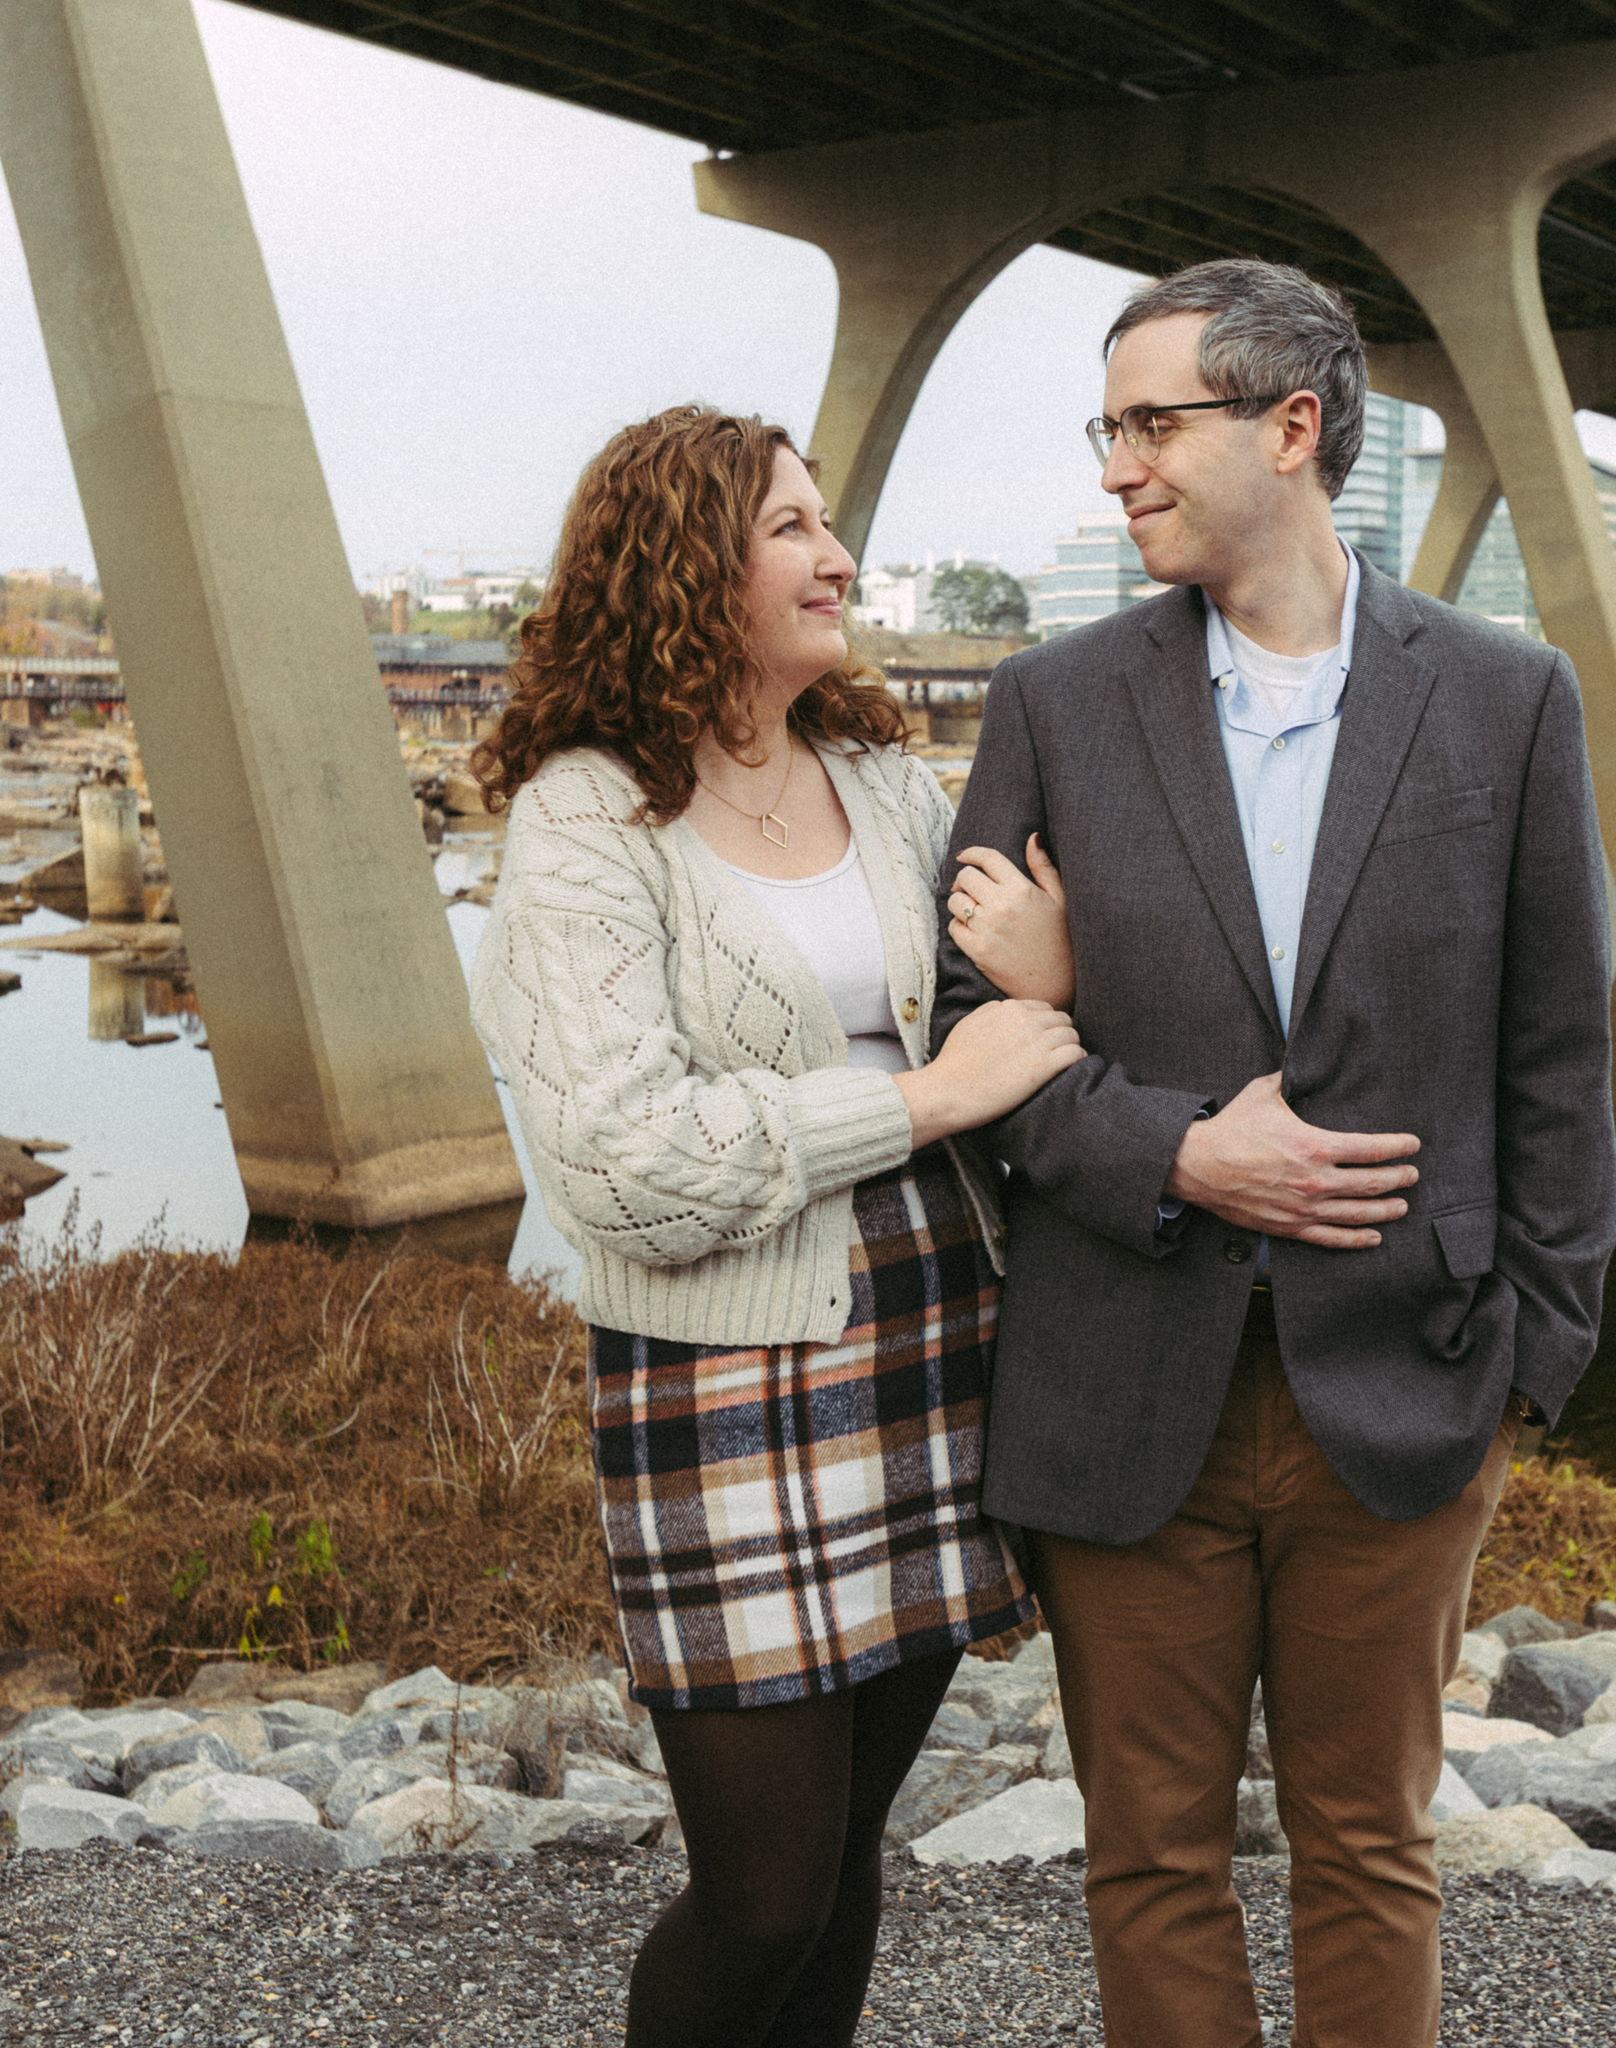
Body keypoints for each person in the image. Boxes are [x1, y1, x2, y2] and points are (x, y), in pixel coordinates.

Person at [933, 260, 1616, 2048]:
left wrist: (1529, 1365)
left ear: (1293, 426)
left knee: (1370, 1847)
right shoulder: (1055, 702)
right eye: (1108, 429)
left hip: (1405, 1390)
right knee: (1148, 1857)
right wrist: (1179, 1155)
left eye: (1153, 424)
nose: (1118, 468)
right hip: (1117, 1382)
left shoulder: (1509, 697)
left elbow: (1558, 1056)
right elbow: (967, 1033)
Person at [466, 405, 1083, 2048]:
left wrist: (1054, 979)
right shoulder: (587, 817)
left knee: (849, 1852)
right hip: (727, 1371)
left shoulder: (887, 782)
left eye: (830, 521)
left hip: (942, 1337)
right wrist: (919, 1103)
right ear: (684, 564)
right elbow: (616, 1164)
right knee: (763, 1892)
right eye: (792, 527)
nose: (838, 555)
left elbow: (1010, 1009)